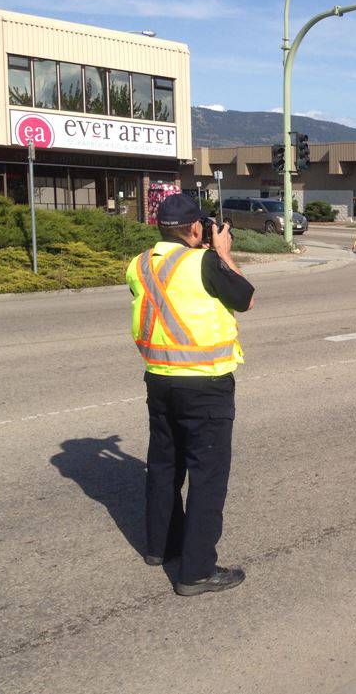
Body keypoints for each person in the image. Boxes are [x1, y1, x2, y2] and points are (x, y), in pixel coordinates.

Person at [125, 194, 254, 596]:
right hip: (205, 385)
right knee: (207, 476)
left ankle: (161, 547)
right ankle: (196, 570)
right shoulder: (205, 262)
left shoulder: (139, 264)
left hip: (160, 379)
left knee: (164, 465)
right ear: (195, 228)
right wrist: (223, 253)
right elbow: (245, 298)